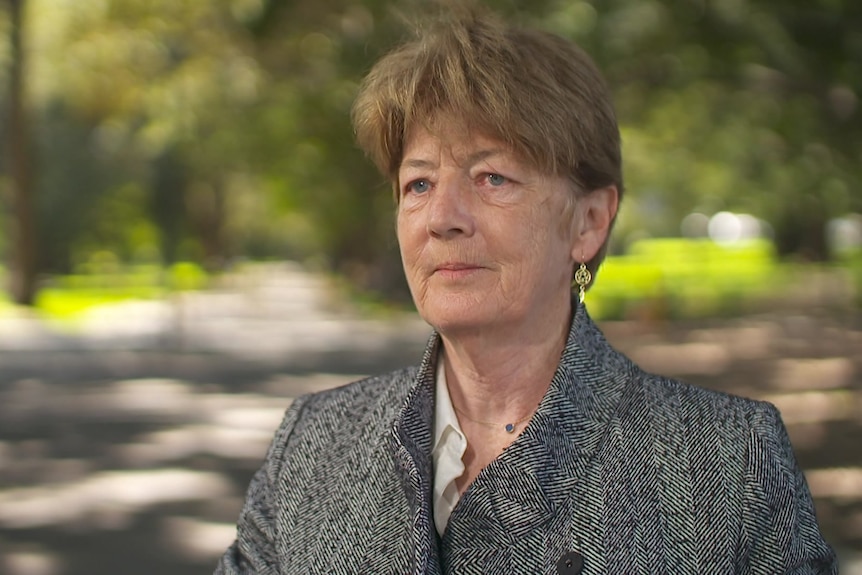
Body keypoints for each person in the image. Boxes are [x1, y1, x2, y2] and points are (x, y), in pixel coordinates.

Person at [216, 6, 837, 574]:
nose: (443, 217)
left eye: (492, 177)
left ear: (589, 222)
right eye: (420, 184)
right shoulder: (315, 444)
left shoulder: (729, 467)